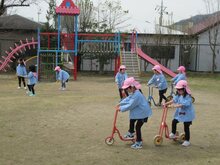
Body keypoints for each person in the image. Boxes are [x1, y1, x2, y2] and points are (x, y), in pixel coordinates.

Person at [117, 77, 152, 149]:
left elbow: (131, 105)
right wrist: (121, 103)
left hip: (143, 114)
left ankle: (139, 142)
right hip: (140, 112)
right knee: (132, 120)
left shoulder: (137, 95)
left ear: (132, 87)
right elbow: (128, 99)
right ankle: (131, 133)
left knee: (138, 127)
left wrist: (121, 108)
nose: (126, 90)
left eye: (127, 88)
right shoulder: (134, 93)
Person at [164, 80, 195, 147]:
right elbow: (174, 100)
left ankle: (187, 141)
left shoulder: (188, 97)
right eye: (177, 89)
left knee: (186, 126)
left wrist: (175, 106)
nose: (178, 91)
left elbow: (184, 104)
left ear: (184, 89)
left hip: (187, 114)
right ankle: (173, 133)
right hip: (180, 113)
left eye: (180, 89)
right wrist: (166, 103)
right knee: (174, 121)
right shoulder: (179, 95)